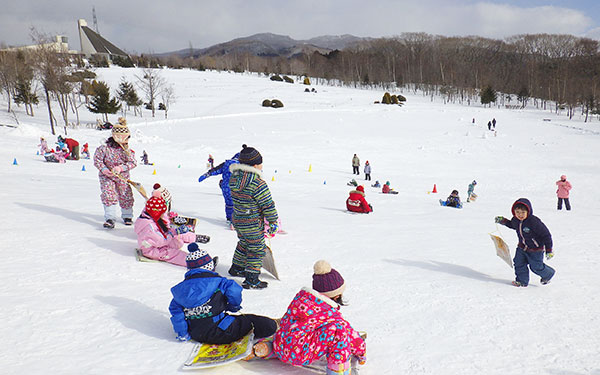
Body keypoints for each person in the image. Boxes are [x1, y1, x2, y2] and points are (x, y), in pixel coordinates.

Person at [169, 245, 278, 344]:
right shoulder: (220, 282)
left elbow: (176, 314)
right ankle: (275, 329)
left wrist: (183, 333)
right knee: (258, 323)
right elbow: (234, 291)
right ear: (209, 266)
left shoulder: (180, 291)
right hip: (223, 330)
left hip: (196, 334)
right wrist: (233, 306)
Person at [273, 260, 366, 375]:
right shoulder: (329, 312)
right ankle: (338, 371)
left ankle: (266, 349)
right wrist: (361, 351)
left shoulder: (301, 300)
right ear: (336, 295)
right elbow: (349, 333)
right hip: (299, 355)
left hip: (280, 347)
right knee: (339, 331)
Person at [228, 145, 279, 289]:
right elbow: (267, 204)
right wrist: (273, 221)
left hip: (238, 219)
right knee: (256, 248)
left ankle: (237, 267)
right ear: (255, 165)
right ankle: (251, 279)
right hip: (252, 222)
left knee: (244, 242)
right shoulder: (258, 183)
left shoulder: (234, 179)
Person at [495, 198, 555, 287]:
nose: (520, 215)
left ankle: (548, 274)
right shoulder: (515, 220)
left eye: (523, 212)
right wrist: (504, 221)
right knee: (519, 263)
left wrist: (549, 250)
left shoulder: (534, 222)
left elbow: (546, 235)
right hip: (522, 247)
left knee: (536, 267)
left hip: (535, 249)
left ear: (528, 211)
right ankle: (521, 281)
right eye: (518, 212)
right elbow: (512, 225)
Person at [93, 117, 137, 229]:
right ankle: (110, 218)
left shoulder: (127, 150)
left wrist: (121, 168)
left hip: (122, 177)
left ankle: (127, 216)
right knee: (108, 194)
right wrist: (104, 169)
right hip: (106, 176)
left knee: (125, 194)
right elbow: (97, 160)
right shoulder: (104, 148)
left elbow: (133, 162)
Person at [134, 196, 198, 266]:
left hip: (160, 242)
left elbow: (165, 231)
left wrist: (175, 231)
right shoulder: (150, 227)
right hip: (153, 250)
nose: (163, 215)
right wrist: (174, 233)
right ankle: (194, 262)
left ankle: (194, 237)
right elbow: (161, 241)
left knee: (178, 239)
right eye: (162, 213)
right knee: (174, 254)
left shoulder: (150, 216)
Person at [198, 150, 241, 223]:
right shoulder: (242, 166)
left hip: (225, 188)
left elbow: (215, 170)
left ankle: (229, 219)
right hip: (236, 188)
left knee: (229, 203)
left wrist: (206, 175)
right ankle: (236, 220)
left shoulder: (226, 164)